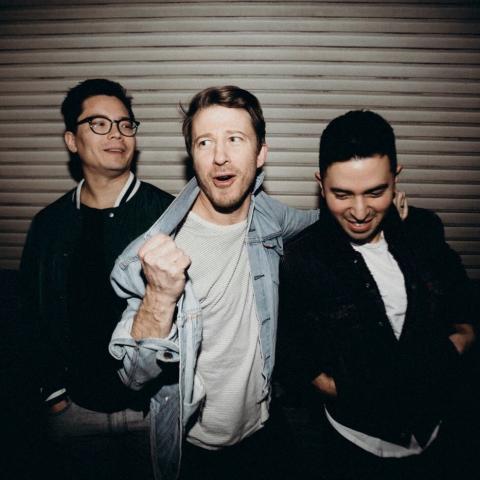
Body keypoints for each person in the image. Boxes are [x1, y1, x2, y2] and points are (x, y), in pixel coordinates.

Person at [108, 85, 320, 480]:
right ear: (192, 157)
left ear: (261, 154)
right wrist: (159, 297)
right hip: (194, 446)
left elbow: (323, 221)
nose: (220, 156)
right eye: (205, 142)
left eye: (235, 139)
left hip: (266, 426)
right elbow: (133, 376)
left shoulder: (267, 216)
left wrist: (386, 210)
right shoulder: (159, 249)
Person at [278, 110, 477, 480]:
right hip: (355, 448)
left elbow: (462, 307)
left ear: (395, 178)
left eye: (375, 192)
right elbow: (295, 358)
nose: (359, 212)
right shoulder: (301, 259)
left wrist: (453, 350)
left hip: (440, 437)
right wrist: (347, 391)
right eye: (341, 194)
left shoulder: (423, 230)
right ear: (321, 184)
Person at [19, 78, 173, 480]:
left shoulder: (168, 216)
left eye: (125, 124)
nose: (117, 134)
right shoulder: (49, 225)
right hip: (73, 414)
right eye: (99, 124)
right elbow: (28, 317)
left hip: (152, 414)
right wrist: (53, 396)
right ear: (72, 140)